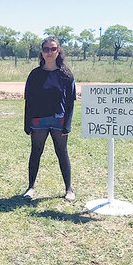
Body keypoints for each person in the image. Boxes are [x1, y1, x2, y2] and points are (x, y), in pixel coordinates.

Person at [23, 36, 76, 201]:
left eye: (53, 49)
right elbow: (28, 100)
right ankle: (30, 188)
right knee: (36, 153)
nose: (49, 52)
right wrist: (27, 123)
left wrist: (67, 124)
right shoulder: (35, 74)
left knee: (62, 153)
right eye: (46, 49)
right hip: (38, 120)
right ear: (41, 52)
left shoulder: (66, 75)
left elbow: (70, 102)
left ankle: (69, 189)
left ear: (58, 50)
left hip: (58, 120)